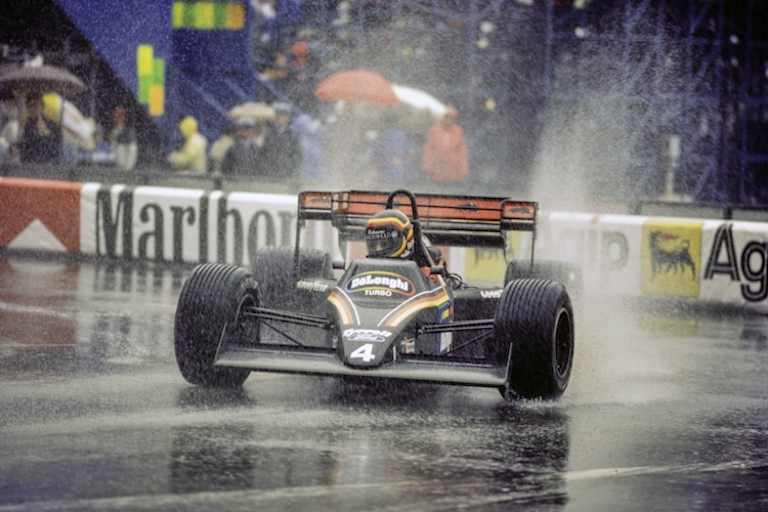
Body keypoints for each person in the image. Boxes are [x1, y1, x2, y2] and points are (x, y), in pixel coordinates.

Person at [420, 106, 468, 183]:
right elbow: (429, 149)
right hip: (437, 166)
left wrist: (463, 169)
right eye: (447, 117)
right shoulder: (434, 130)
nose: (448, 120)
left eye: (451, 117)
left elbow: (461, 152)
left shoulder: (458, 131)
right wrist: (427, 166)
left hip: (453, 167)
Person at [16, 91, 62, 164]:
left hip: (49, 165)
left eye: (37, 105)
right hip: (30, 165)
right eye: (31, 105)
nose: (34, 108)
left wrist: (46, 134)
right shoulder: (26, 125)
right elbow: (25, 148)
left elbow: (56, 148)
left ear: (42, 106)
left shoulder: (53, 125)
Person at [263, 102, 302, 178]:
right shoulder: (269, 133)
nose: (280, 118)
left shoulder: (292, 134)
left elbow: (297, 154)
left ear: (288, 117)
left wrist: (292, 168)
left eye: (283, 115)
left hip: (287, 172)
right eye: (278, 115)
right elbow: (264, 152)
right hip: (270, 172)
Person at [109, 106, 137, 171]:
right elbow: (111, 139)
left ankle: (127, 171)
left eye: (122, 115)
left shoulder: (129, 128)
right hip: (118, 145)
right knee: (120, 148)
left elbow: (131, 139)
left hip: (127, 144)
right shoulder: (111, 126)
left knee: (132, 147)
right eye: (117, 114)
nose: (120, 118)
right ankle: (122, 171)